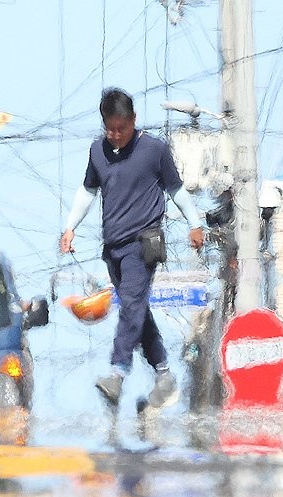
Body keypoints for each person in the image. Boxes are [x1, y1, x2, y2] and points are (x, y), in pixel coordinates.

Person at [59, 87, 205, 408]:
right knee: (136, 309)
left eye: (121, 129)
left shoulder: (154, 150)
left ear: (133, 120)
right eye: (109, 129)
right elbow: (87, 192)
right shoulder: (97, 152)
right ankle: (164, 373)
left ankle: (117, 372)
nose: (115, 135)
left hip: (144, 242)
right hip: (113, 246)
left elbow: (176, 189)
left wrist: (194, 223)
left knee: (131, 307)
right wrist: (70, 227)